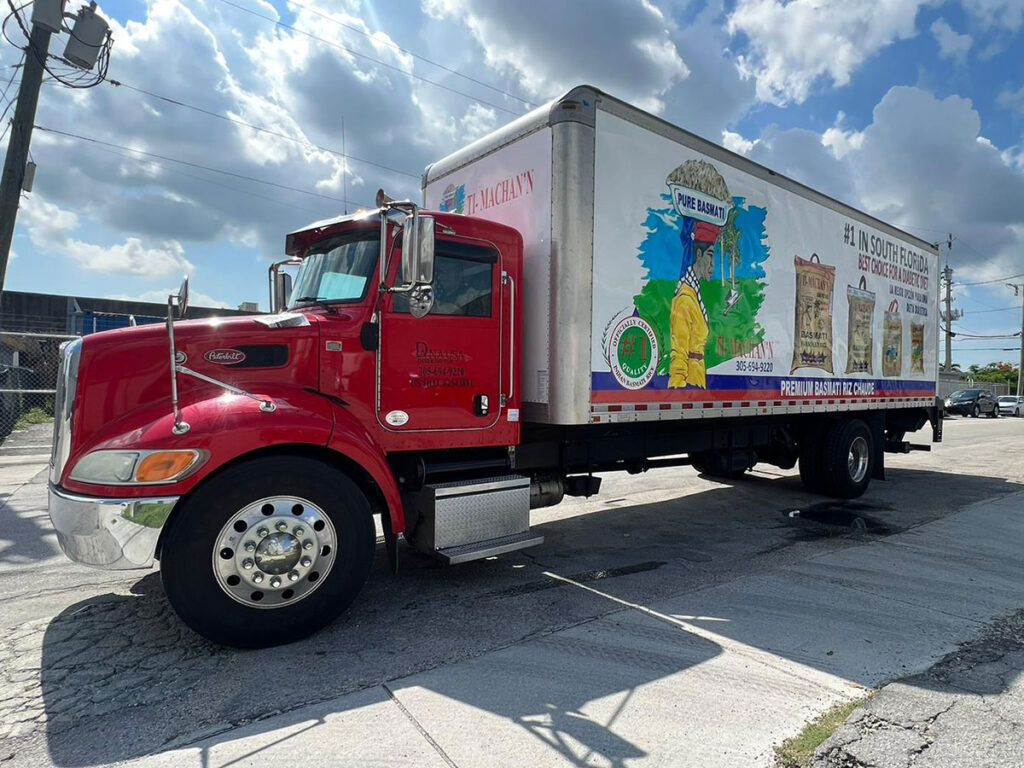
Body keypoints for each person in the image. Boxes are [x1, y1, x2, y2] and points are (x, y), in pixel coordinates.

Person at [669, 219, 717, 388]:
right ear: (698, 255)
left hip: (697, 383)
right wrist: (678, 389)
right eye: (710, 255)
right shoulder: (685, 299)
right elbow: (679, 353)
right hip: (691, 385)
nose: (713, 264)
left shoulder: (694, 293)